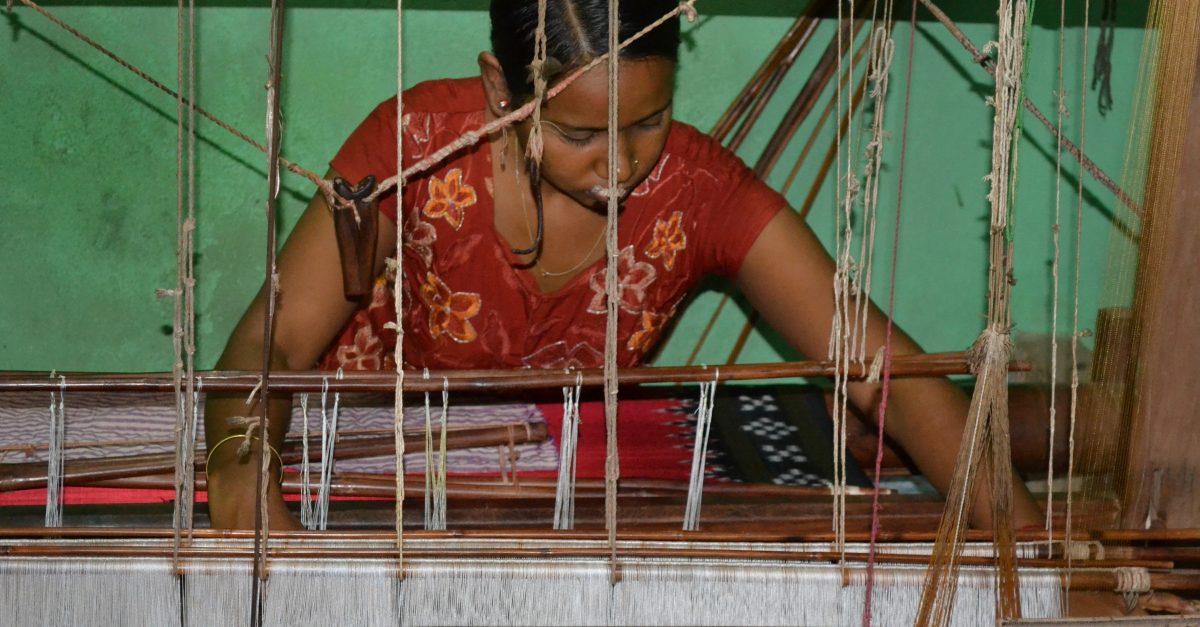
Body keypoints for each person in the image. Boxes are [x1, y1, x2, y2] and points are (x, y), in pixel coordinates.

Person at [204, 0, 1042, 530]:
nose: (616, 164)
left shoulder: (698, 190)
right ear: (502, 88)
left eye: (647, 123)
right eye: (575, 134)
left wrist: (1024, 546)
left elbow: (879, 364)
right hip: (358, 477)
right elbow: (269, 344)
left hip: (556, 506)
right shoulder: (417, 147)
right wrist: (244, 482)